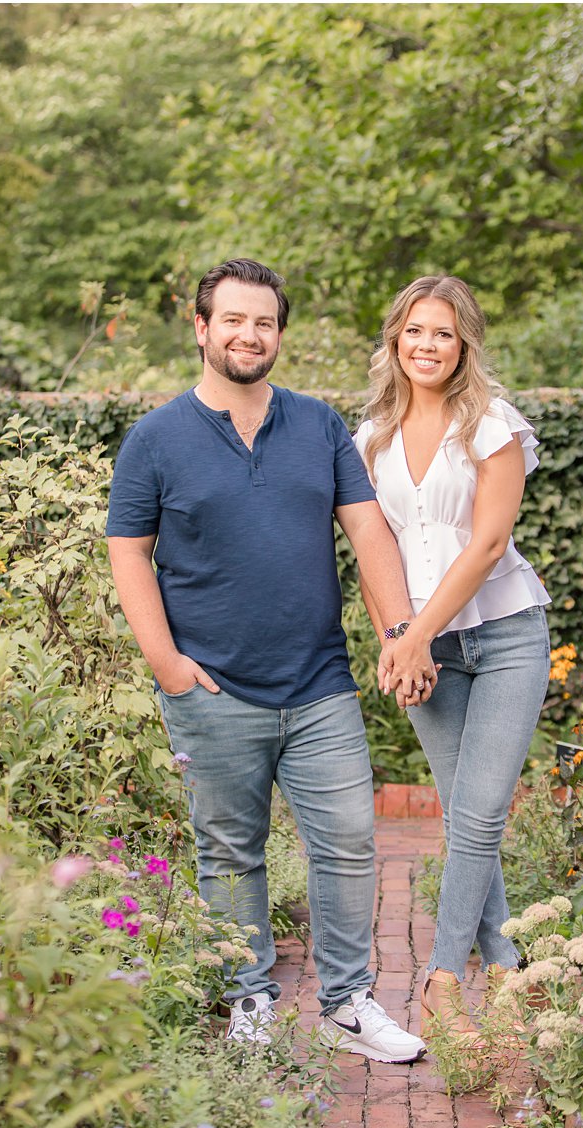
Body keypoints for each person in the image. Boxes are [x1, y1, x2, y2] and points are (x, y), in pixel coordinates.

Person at [107, 258, 429, 1063]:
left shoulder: (320, 426)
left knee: (353, 838)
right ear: (202, 327)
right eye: (235, 320)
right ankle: (247, 994)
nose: (250, 334)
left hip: (318, 683)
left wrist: (399, 633)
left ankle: (350, 1002)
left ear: (278, 333)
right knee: (229, 849)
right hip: (212, 690)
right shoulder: (155, 438)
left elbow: (368, 532)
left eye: (265, 322)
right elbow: (129, 554)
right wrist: (170, 665)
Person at [352, 275, 551, 1043]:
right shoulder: (369, 437)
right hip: (421, 646)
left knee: (477, 813)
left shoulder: (494, 427)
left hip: (503, 635)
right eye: (413, 332)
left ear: (463, 341)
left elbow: (489, 544)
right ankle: (504, 970)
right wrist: (394, 640)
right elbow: (374, 551)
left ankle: (440, 979)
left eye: (441, 332)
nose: (426, 345)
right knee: (469, 816)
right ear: (394, 341)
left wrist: (414, 635)